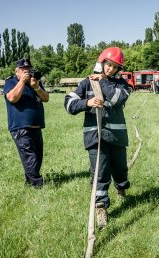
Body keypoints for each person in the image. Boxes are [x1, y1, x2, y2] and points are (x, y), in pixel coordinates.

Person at [64, 47, 130, 229]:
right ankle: (101, 207)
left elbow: (117, 99)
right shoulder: (87, 82)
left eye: (114, 67)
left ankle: (121, 186)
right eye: (108, 64)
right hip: (95, 137)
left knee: (120, 170)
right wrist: (87, 102)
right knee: (100, 172)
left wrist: (102, 81)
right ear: (102, 63)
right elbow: (68, 103)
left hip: (117, 137)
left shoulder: (121, 85)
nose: (110, 69)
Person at [4, 58, 49, 188]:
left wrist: (36, 87)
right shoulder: (11, 82)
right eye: (24, 71)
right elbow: (12, 98)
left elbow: (46, 98)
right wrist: (22, 82)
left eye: (29, 70)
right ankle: (38, 184)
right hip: (20, 127)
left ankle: (29, 182)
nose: (28, 73)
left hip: (36, 126)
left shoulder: (35, 82)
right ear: (17, 72)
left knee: (37, 157)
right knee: (30, 157)